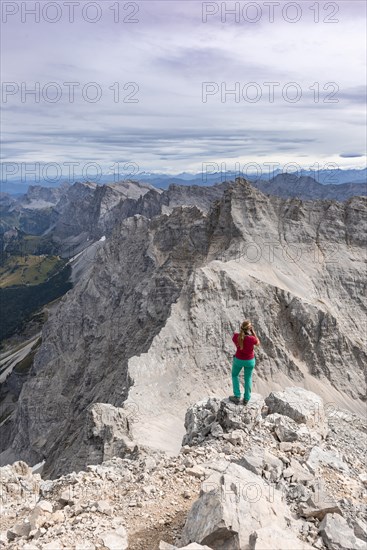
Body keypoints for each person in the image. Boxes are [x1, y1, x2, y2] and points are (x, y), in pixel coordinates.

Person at [229, 320, 260, 405]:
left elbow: (236, 338)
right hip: (250, 361)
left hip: (238, 359)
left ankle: (237, 396)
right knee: (248, 378)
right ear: (249, 328)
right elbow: (258, 343)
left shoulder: (236, 336)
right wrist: (253, 332)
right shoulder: (252, 339)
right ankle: (246, 399)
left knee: (235, 375)